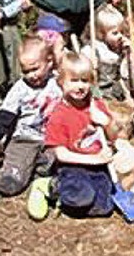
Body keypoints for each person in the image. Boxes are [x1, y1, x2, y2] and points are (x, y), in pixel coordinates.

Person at [0, 35, 62, 196]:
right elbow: (3, 119)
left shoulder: (58, 82)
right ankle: (4, 175)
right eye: (25, 71)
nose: (30, 75)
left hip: (52, 138)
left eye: (35, 69)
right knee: (13, 180)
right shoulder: (20, 89)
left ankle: (41, 170)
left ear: (49, 63)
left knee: (61, 163)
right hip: (25, 139)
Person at [43, 52, 123, 217]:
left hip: (98, 165)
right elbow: (61, 154)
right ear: (61, 82)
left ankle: (85, 197)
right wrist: (94, 159)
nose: (80, 86)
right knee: (81, 197)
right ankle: (52, 186)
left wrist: (106, 122)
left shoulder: (96, 105)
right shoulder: (58, 115)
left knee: (104, 207)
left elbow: (113, 136)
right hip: (73, 164)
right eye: (74, 80)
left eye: (85, 81)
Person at [81, 4, 131, 102]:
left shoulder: (120, 50)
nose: (120, 36)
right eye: (115, 33)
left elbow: (124, 76)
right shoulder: (93, 51)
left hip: (117, 95)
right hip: (100, 96)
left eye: (122, 32)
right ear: (101, 34)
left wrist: (128, 55)